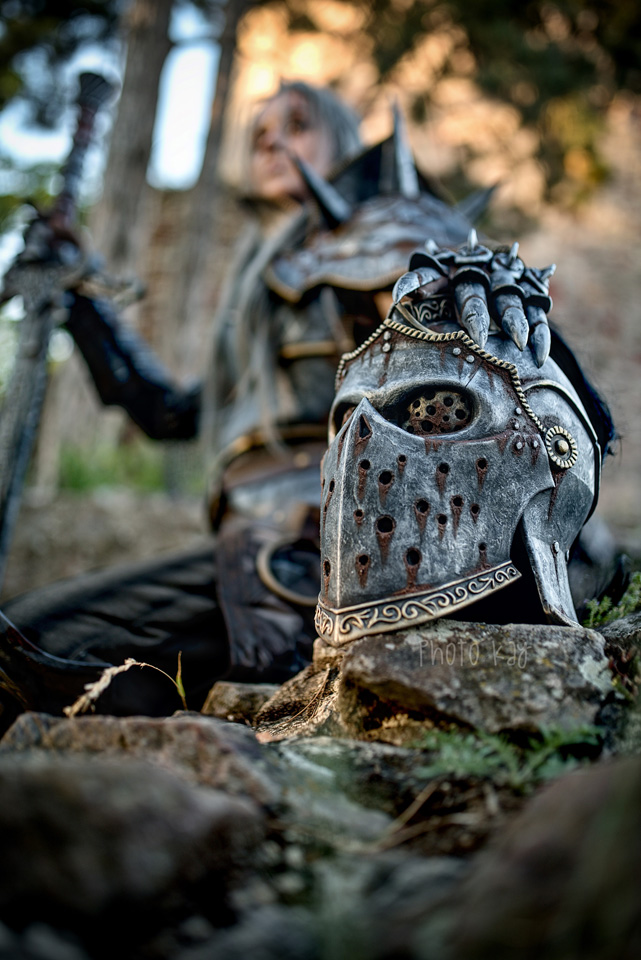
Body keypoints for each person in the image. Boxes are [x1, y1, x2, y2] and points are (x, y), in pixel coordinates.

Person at [0, 82, 622, 726]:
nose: (270, 139)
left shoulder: (380, 227)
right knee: (29, 654)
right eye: (259, 132)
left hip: (338, 547)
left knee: (42, 651)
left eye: (296, 124)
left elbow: (434, 300)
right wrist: (81, 300)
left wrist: (473, 283)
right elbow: (171, 414)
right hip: (244, 549)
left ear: (344, 147)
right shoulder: (276, 279)